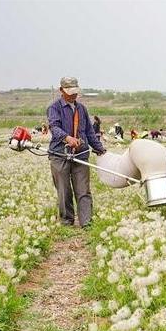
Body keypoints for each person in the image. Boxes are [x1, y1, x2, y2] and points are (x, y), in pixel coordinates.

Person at [47, 76, 106, 228]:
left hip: (80, 154)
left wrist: (99, 148)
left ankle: (87, 222)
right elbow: (54, 127)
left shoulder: (81, 109)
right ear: (61, 90)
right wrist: (67, 138)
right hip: (60, 154)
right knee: (64, 190)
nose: (73, 95)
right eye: (69, 92)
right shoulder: (54, 108)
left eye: (75, 92)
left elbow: (89, 132)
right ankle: (67, 221)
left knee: (83, 190)